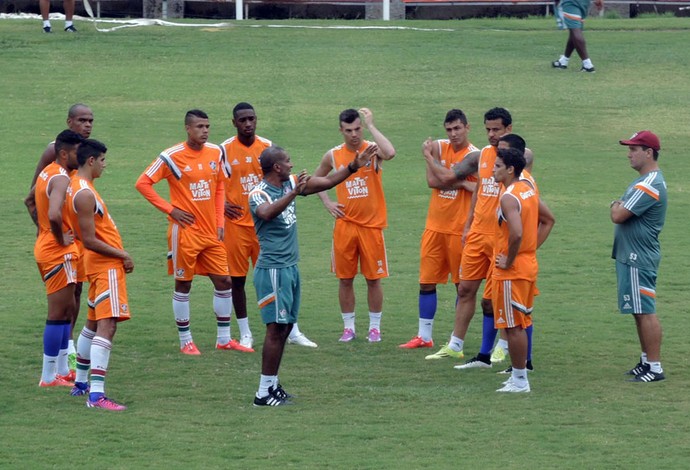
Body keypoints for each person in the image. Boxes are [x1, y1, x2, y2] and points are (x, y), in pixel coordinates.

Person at [250, 145, 376, 406]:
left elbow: (328, 181)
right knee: (275, 330)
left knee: (284, 329)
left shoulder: (292, 183)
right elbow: (266, 213)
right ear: (276, 167)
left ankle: (273, 385)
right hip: (272, 270)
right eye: (287, 161)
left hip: (290, 268)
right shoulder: (258, 193)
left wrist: (354, 166)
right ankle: (262, 393)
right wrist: (293, 193)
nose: (292, 165)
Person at [135, 109, 252, 355]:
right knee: (183, 284)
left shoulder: (215, 152)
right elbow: (143, 183)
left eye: (207, 126)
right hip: (185, 232)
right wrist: (171, 210)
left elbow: (220, 186)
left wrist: (220, 223)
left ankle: (223, 338)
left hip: (212, 233)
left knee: (224, 281)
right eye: (199, 126)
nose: (205, 131)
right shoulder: (171, 156)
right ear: (188, 128)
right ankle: (185, 341)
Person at [219, 102, 317, 349]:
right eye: (242, 120)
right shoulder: (223, 150)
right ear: (234, 123)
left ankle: (293, 330)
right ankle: (245, 333)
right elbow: (211, 183)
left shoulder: (268, 147)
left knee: (279, 277)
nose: (248, 124)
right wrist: (220, 207)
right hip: (238, 226)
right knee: (237, 280)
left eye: (251, 119)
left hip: (267, 227)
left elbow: (288, 181)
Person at [424, 108, 515, 363]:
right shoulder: (482, 155)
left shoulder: (520, 158)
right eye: (488, 129)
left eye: (496, 129)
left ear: (508, 129)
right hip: (477, 233)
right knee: (465, 289)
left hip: (500, 236)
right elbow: (477, 190)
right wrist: (468, 225)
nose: (491, 134)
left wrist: (428, 158)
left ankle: (501, 345)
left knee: (495, 297)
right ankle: (456, 344)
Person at [313, 108, 396, 343]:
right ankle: (348, 327)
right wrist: (327, 202)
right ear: (341, 130)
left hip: (371, 227)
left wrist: (371, 126)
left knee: (373, 279)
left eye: (358, 129)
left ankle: (374, 328)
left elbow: (390, 152)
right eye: (349, 130)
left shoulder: (372, 149)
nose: (354, 134)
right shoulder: (333, 155)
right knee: (345, 278)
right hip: (345, 227)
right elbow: (316, 180)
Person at [399, 109, 478, 349]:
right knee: (426, 282)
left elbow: (450, 181)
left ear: (467, 128)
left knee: (462, 286)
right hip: (435, 227)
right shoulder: (438, 147)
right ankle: (424, 336)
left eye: (457, 129)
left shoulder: (475, 156)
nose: (453, 134)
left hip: (459, 230)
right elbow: (433, 182)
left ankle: (456, 340)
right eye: (449, 129)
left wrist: (430, 161)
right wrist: (461, 182)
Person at [26, 104, 94, 374]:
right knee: (58, 311)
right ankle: (52, 370)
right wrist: (52, 233)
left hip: (67, 242)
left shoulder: (74, 162)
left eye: (90, 120)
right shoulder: (57, 167)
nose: (87, 125)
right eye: (82, 120)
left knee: (72, 298)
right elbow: (37, 200)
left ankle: (65, 360)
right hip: (57, 247)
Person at [66, 139, 133, 410]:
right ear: (91, 161)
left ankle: (81, 383)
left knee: (92, 323)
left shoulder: (77, 185)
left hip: (95, 265)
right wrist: (122, 254)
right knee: (108, 325)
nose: (105, 165)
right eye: (103, 160)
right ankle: (96, 395)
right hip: (105, 265)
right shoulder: (84, 194)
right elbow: (89, 238)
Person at [492, 147, 550, 392]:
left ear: (510, 169)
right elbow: (548, 220)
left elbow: (515, 232)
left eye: (497, 166)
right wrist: (529, 250)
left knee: (513, 326)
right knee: (521, 322)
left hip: (512, 271)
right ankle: (518, 376)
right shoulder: (528, 189)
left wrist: (509, 259)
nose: (493, 170)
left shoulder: (509, 197)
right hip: (527, 266)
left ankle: (519, 381)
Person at [611, 131, 667, 383]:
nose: (629, 154)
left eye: (634, 149)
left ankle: (654, 368)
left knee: (645, 310)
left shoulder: (649, 184)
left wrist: (615, 204)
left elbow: (618, 214)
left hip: (638, 256)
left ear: (648, 152)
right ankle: (646, 361)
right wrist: (619, 204)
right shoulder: (646, 180)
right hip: (632, 254)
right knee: (637, 309)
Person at [33, 130, 82, 388]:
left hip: (47, 247)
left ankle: (62, 370)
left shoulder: (48, 172)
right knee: (57, 314)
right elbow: (54, 214)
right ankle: (48, 376)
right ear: (64, 153)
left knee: (66, 312)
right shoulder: (61, 178)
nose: (81, 156)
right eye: (77, 152)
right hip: (56, 252)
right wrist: (61, 236)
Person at [551, 0, 604, 73]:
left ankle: (587, 65)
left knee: (575, 31)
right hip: (584, 3)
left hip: (571, 2)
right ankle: (564, 61)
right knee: (574, 31)